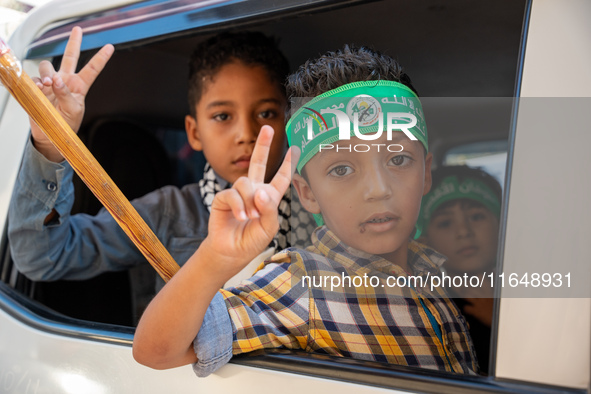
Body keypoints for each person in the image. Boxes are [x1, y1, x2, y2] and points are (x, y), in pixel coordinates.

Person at [133, 46, 479, 376]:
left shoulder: (428, 268)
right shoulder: (303, 283)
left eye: (398, 160)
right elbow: (157, 350)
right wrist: (214, 258)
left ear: (426, 173)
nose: (378, 189)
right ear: (307, 194)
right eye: (342, 169)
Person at [7, 28, 314, 300]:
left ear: (288, 121)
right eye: (222, 116)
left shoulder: (320, 206)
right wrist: (50, 144)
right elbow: (42, 257)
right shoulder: (166, 213)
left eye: (266, 113)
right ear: (194, 132)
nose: (246, 134)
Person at [417, 165, 502, 374]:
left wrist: (497, 319)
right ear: (425, 241)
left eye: (477, 216)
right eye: (445, 223)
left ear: (501, 224)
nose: (464, 232)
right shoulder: (430, 309)